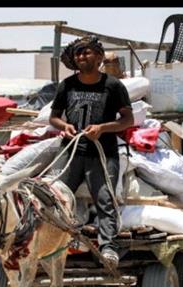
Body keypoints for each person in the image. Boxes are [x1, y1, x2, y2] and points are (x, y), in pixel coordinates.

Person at [49, 36, 134, 267]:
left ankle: (108, 246)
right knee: (54, 197)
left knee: (105, 199)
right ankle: (53, 244)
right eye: (78, 53)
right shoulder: (66, 85)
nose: (81, 57)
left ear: (98, 57)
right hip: (72, 151)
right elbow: (53, 117)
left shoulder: (113, 86)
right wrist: (64, 126)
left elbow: (128, 120)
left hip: (102, 153)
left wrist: (103, 128)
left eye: (86, 52)